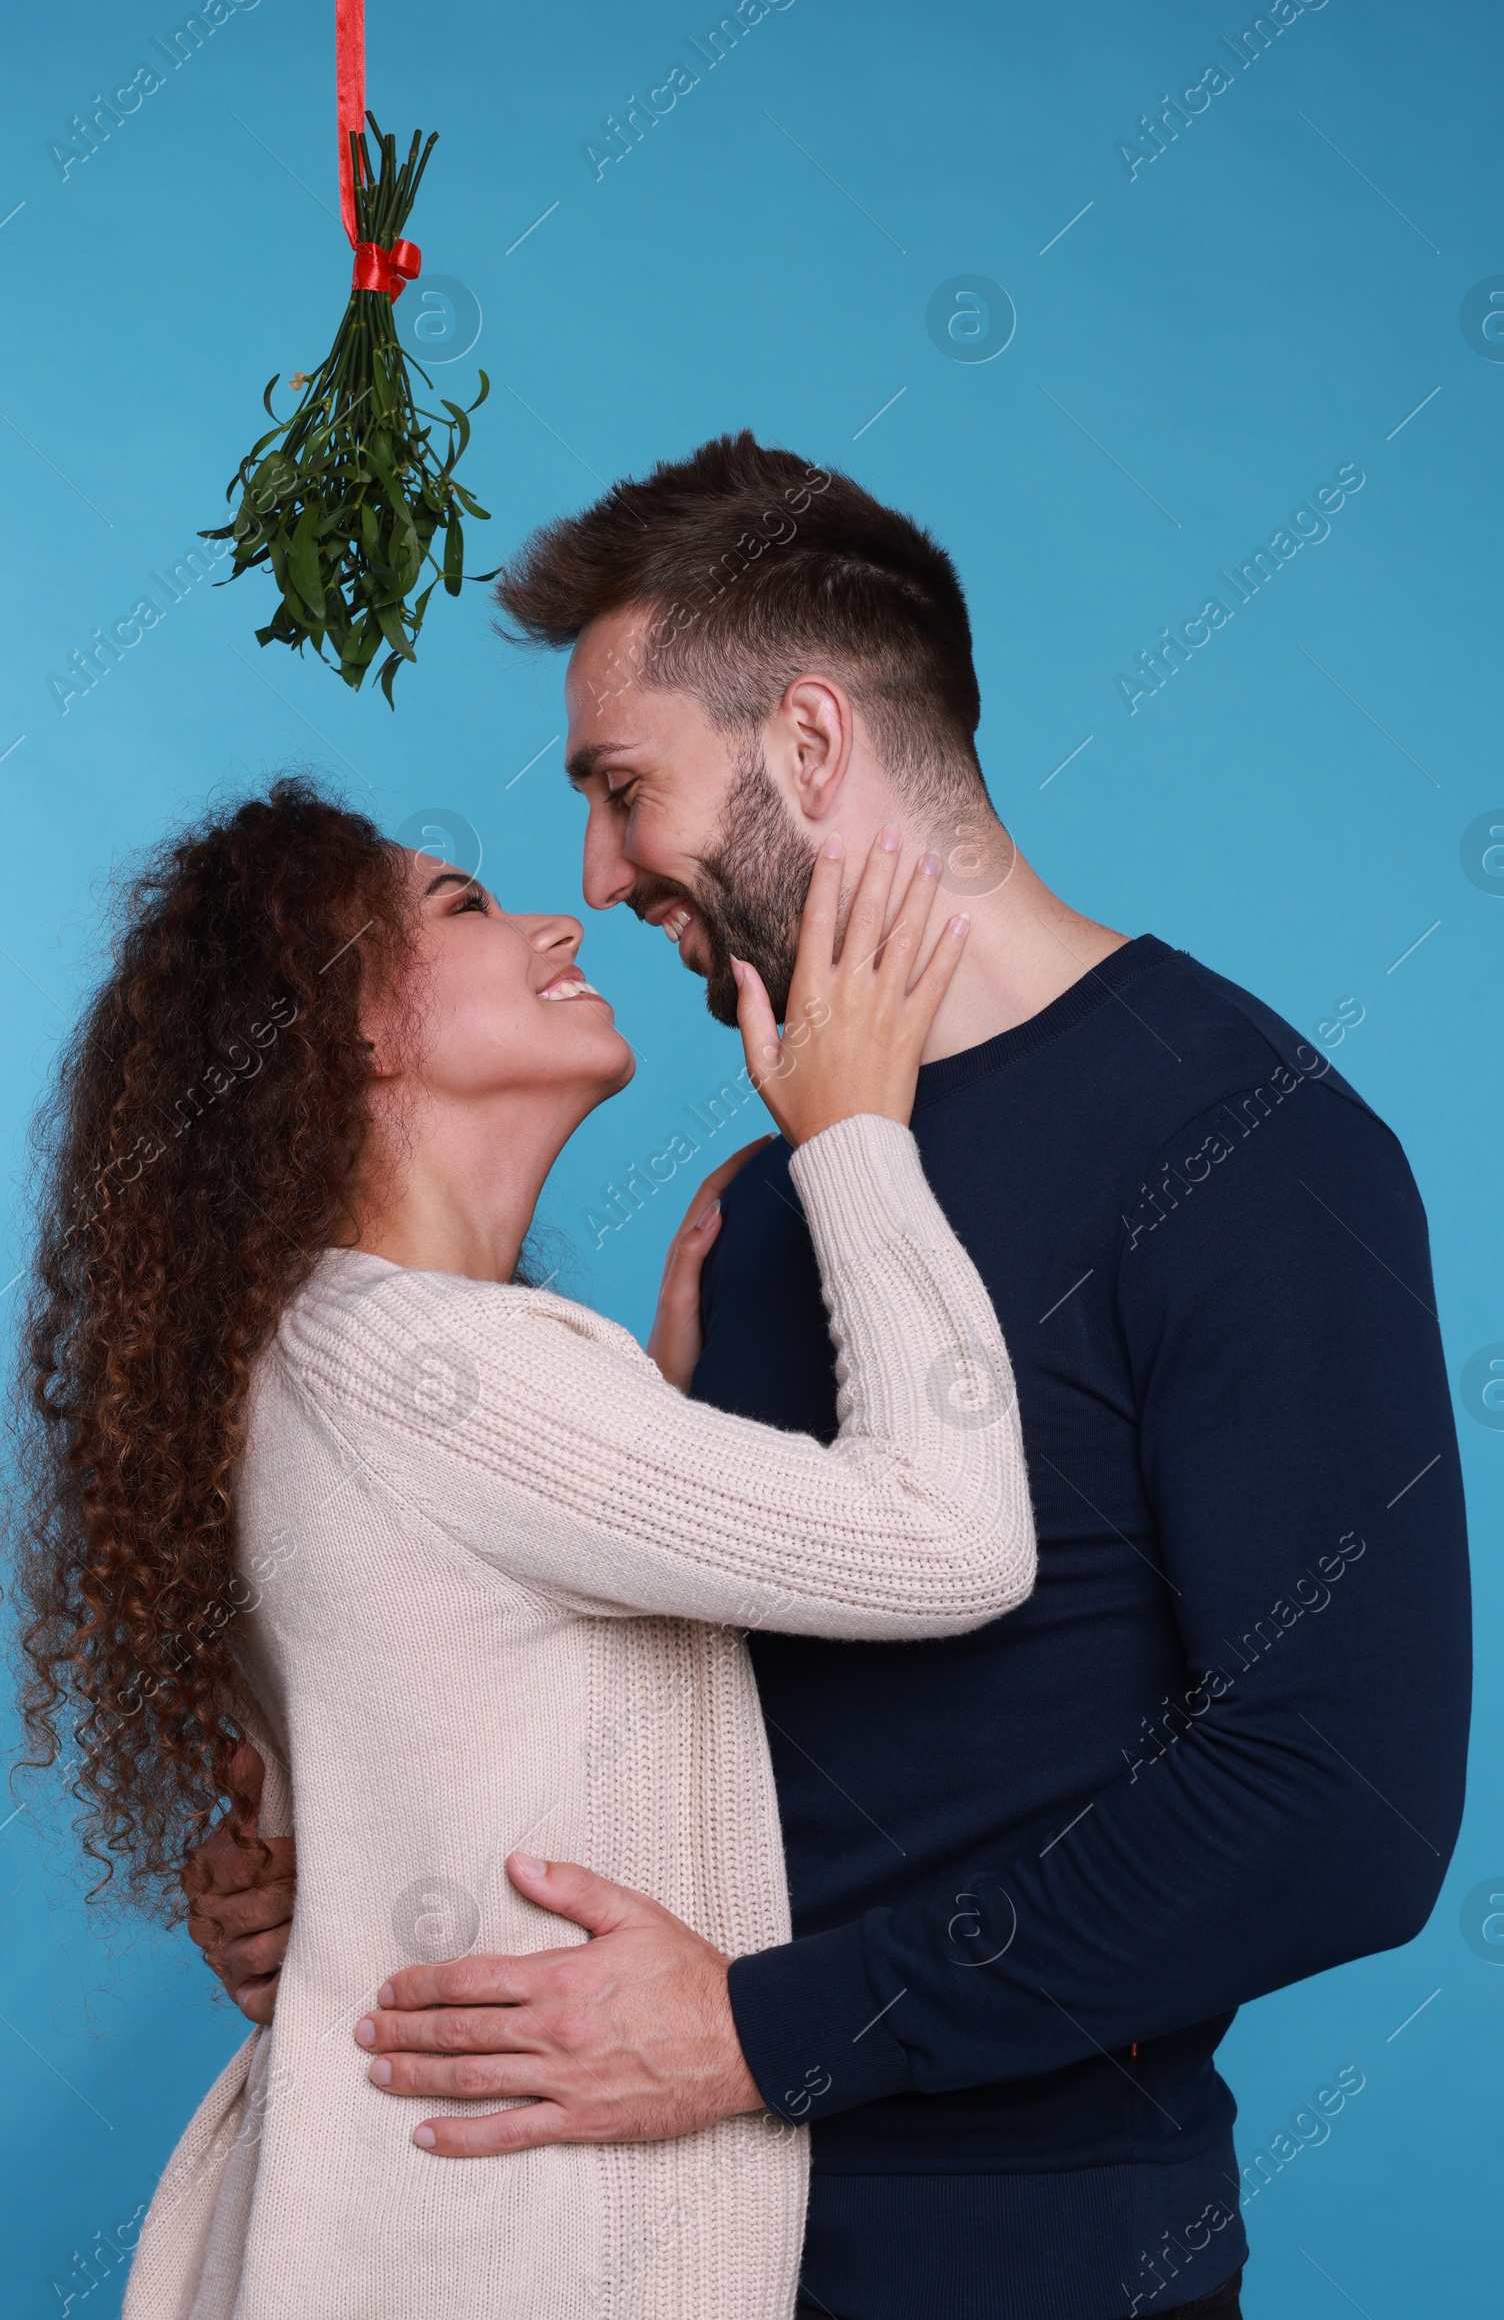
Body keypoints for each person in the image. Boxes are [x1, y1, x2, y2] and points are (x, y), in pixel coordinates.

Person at [188, 437, 1471, 2320]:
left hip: (1021, 2266)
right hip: (643, 2253)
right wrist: (360, 1865)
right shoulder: (783, 1201)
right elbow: (675, 1699)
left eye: (625, 793)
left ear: (807, 747)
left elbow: (1338, 1808)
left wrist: (761, 2034)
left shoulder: (1248, 1148)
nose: (603, 876)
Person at [3, 776, 1039, 2320]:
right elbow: (956, 1543)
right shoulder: (438, 1371)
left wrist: (666, 1403)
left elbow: (416, 1760)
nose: (562, 918)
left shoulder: (299, 1359)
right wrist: (858, 1138)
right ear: (342, 1025)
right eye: (464, 908)